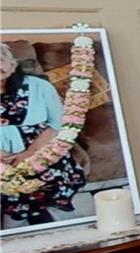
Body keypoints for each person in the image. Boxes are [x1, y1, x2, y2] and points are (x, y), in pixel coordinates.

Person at [1, 41, 88, 225]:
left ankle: (64, 226)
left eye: (0, 60)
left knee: (48, 178)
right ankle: (17, 232)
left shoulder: (39, 86)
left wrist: (29, 154)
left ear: (13, 64)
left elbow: (58, 125)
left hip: (41, 151)